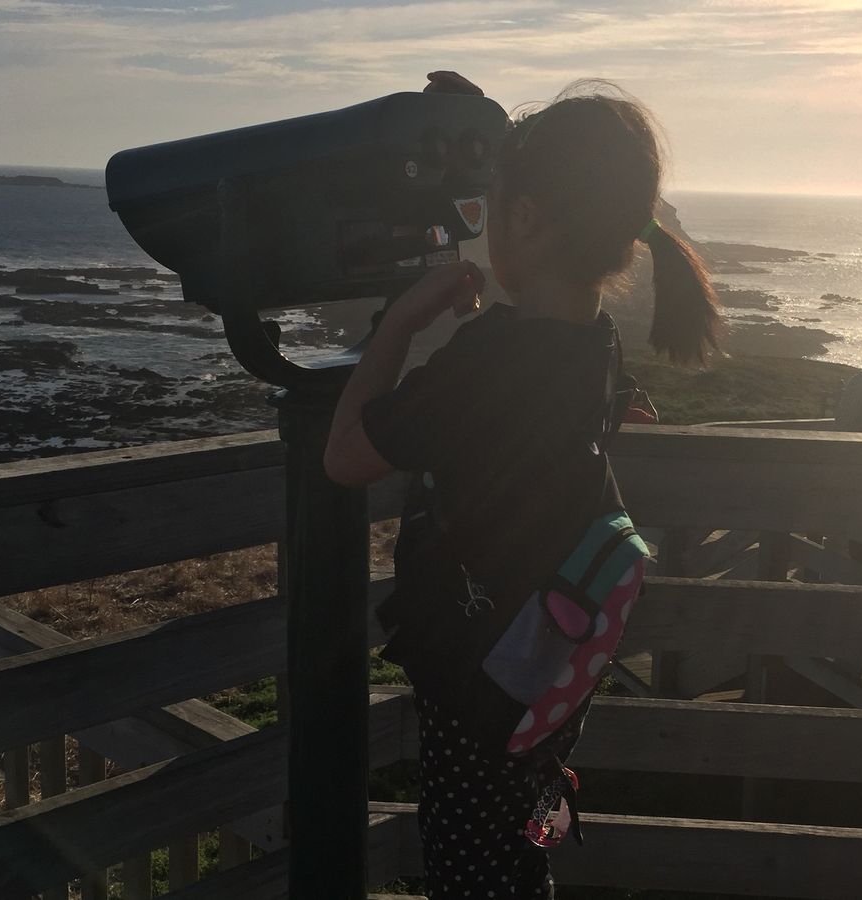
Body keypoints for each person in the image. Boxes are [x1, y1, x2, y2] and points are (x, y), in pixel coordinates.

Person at [323, 72, 719, 898]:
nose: (484, 228)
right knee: (515, 850)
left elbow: (346, 457)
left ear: (529, 219)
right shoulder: (596, 344)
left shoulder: (491, 358)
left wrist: (399, 322)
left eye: (491, 210)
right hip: (550, 663)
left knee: (471, 867)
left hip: (482, 675)